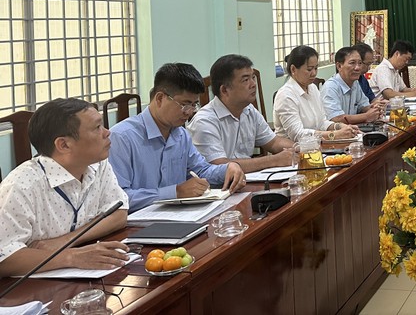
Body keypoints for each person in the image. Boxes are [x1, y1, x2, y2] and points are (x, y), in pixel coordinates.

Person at [0, 98, 129, 276]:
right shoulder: (21, 185)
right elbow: (4, 259)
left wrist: (66, 241)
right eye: (97, 127)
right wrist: (71, 257)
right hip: (32, 292)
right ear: (64, 145)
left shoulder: (98, 165)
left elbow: (119, 212)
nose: (107, 133)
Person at [109, 63, 246, 211]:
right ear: (160, 98)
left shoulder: (181, 135)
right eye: (184, 104)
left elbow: (201, 170)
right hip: (136, 225)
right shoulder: (122, 137)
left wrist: (228, 168)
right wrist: (175, 192)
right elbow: (118, 198)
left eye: (194, 105)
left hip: (179, 218)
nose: (190, 112)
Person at [187, 54, 294, 173]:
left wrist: (301, 148)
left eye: (253, 77)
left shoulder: (249, 110)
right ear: (224, 90)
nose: (253, 84)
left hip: (247, 181)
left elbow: (274, 142)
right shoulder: (205, 121)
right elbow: (219, 165)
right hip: (220, 188)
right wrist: (273, 160)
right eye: (245, 80)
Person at [273, 45, 359, 142]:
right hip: (291, 150)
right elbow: (297, 134)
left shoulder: (313, 88)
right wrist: (334, 135)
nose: (314, 73)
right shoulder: (286, 95)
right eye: (309, 69)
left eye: (316, 68)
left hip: (315, 146)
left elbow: (321, 123)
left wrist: (339, 126)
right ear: (293, 69)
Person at [321, 47, 384, 125]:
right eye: (352, 63)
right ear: (339, 66)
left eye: (360, 63)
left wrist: (374, 109)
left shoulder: (355, 83)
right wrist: (366, 116)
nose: (357, 68)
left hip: (353, 130)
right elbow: (336, 118)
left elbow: (363, 106)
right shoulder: (330, 87)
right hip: (335, 134)